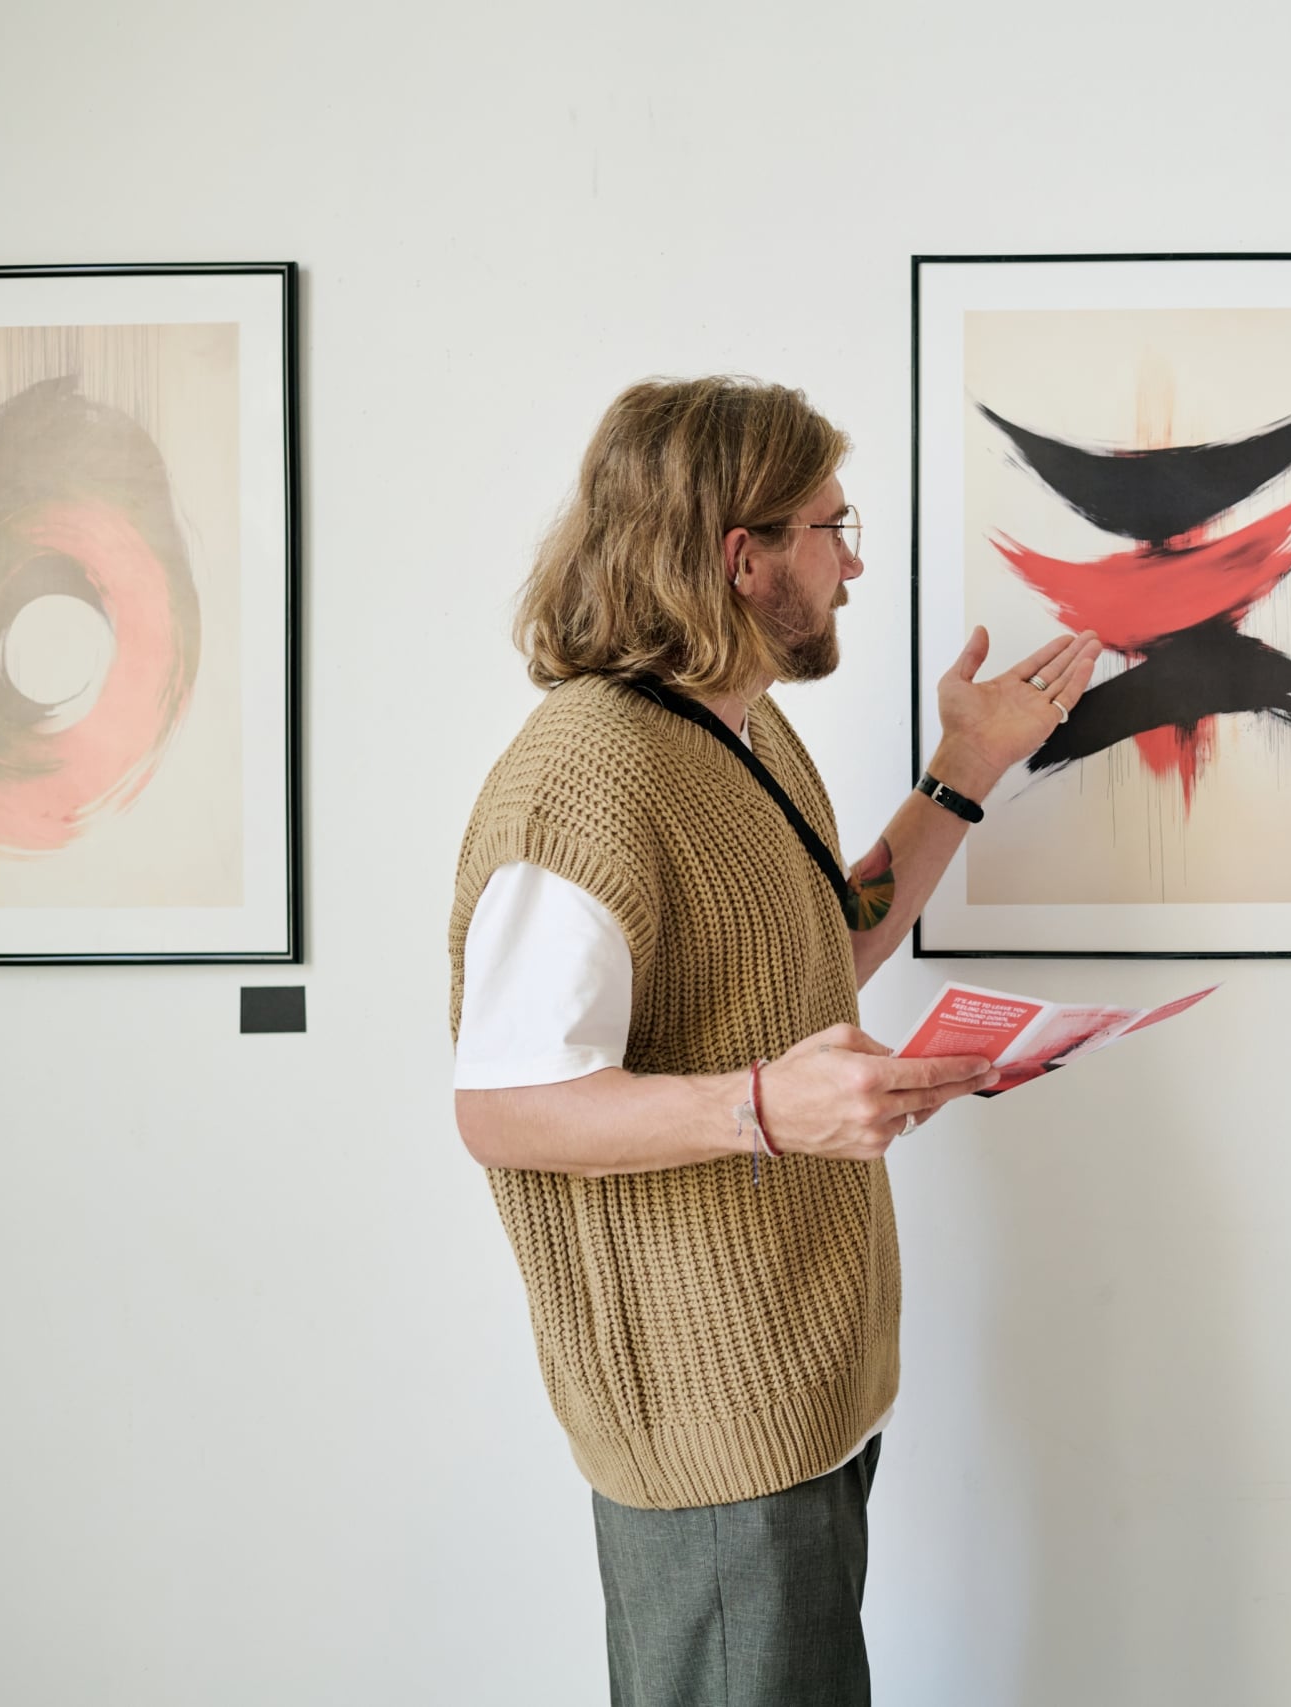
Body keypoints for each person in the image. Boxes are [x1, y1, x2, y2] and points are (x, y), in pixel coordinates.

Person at [447, 376, 1097, 1707]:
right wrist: (762, 1105)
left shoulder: (731, 728)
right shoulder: (589, 776)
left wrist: (963, 770)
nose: (854, 562)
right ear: (740, 559)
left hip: (802, 1384)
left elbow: (818, 943)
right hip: (710, 1422)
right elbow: (506, 1107)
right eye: (829, 527)